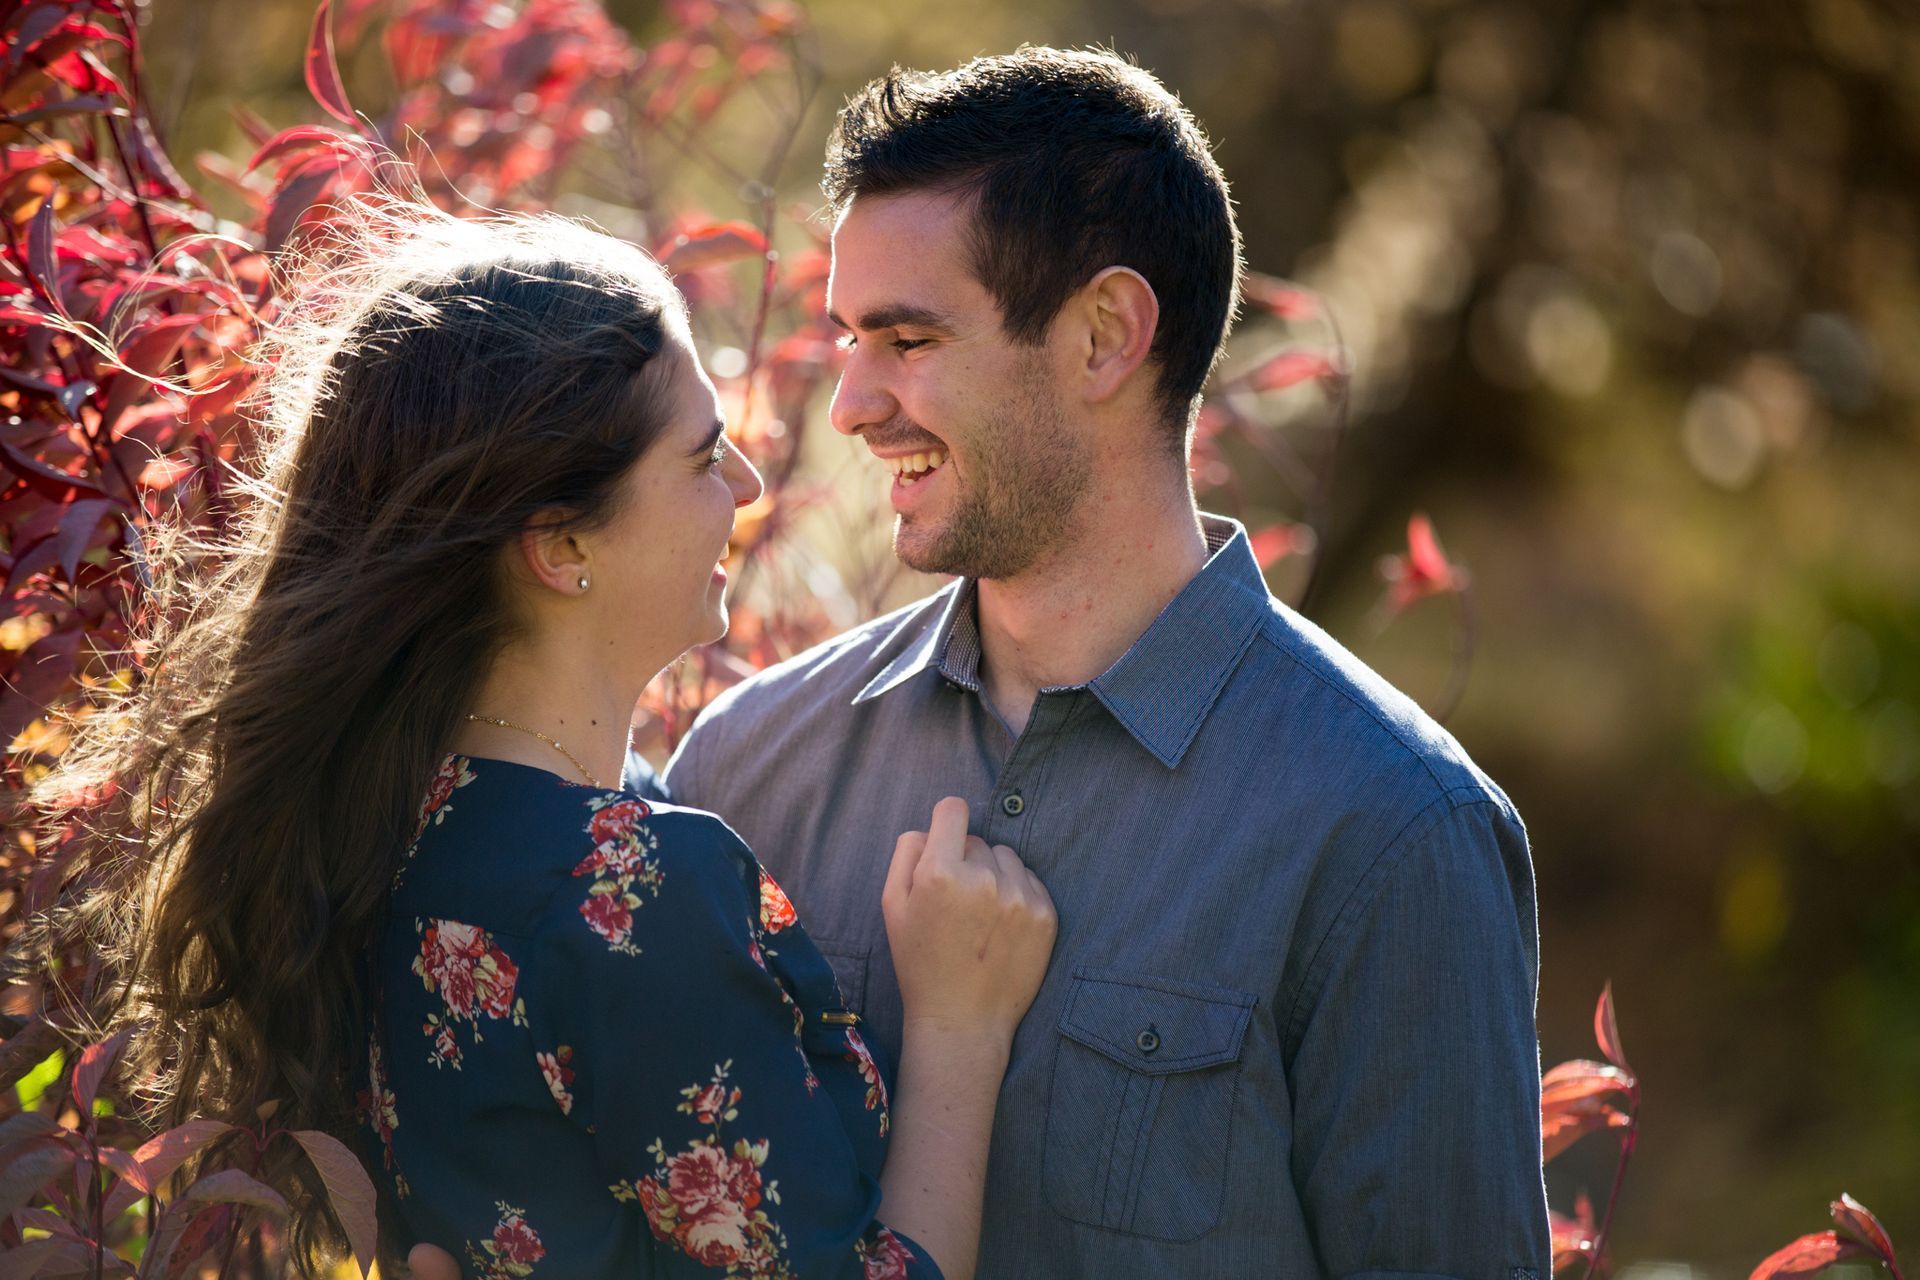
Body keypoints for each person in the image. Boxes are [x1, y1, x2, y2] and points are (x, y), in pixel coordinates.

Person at [653, 49, 1551, 1277]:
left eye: (908, 337)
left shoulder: (1394, 833)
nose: (853, 402)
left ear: (1104, 335)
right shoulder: (749, 770)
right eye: (850, 339)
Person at [53, 202, 1054, 1279]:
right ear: (563, 542)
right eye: (705, 456)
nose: (750, 488)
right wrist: (959, 1027)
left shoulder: (387, 832)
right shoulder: (639, 891)